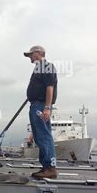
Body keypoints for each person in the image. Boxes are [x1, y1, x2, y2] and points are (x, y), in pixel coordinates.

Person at [24, 45, 58, 179]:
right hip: (36, 104)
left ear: (38, 53)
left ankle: (50, 167)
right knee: (40, 136)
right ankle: (46, 167)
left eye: (31, 55)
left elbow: (50, 87)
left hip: (40, 105)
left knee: (44, 135)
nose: (30, 58)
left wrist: (47, 107)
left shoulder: (46, 66)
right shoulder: (40, 68)